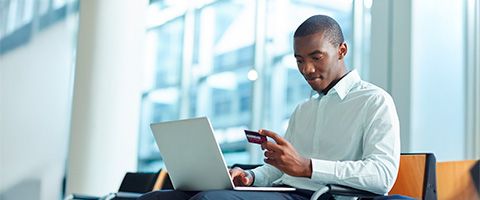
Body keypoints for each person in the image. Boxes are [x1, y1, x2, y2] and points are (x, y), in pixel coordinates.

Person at [139, 14, 400, 200]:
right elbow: (281, 170)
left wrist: (308, 167)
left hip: (321, 196)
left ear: (341, 51)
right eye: (299, 60)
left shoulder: (374, 101)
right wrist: (251, 177)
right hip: (284, 191)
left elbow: (382, 175)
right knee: (156, 198)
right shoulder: (304, 109)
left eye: (316, 58)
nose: (307, 69)